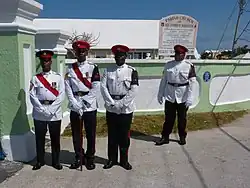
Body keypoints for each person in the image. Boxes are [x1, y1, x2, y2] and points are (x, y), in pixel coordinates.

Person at [100, 44, 139, 170]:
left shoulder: (132, 71)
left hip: (125, 109)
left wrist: (121, 104)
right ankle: (111, 159)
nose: (119, 58)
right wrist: (111, 102)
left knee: (124, 136)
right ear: (114, 57)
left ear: (125, 56)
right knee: (112, 135)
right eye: (117, 56)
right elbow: (103, 87)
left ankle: (124, 160)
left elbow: (134, 90)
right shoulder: (107, 70)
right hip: (111, 107)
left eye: (121, 55)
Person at [64, 40, 100, 170]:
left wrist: (84, 102)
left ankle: (90, 158)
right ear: (75, 53)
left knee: (90, 134)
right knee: (76, 134)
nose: (81, 53)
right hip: (75, 105)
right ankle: (79, 156)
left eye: (83, 51)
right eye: (79, 51)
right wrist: (74, 103)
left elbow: (96, 87)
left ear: (87, 52)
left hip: (89, 106)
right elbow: (67, 87)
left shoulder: (93, 67)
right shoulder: (70, 69)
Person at [29, 50, 65, 170]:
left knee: (55, 139)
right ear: (40, 61)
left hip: (54, 113)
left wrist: (51, 109)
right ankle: (40, 161)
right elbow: (32, 95)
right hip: (39, 113)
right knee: (39, 139)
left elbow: (61, 95)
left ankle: (56, 161)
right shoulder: (35, 78)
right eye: (43, 61)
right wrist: (41, 109)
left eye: (47, 60)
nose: (45, 63)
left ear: (51, 61)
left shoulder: (58, 77)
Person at [156, 44, 197, 146]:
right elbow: (164, 80)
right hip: (170, 95)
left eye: (180, 54)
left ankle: (182, 136)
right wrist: (160, 94)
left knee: (182, 119)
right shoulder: (168, 65)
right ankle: (165, 137)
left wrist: (190, 97)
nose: (178, 55)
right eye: (176, 53)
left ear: (184, 55)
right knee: (168, 119)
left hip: (182, 96)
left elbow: (192, 83)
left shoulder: (189, 66)